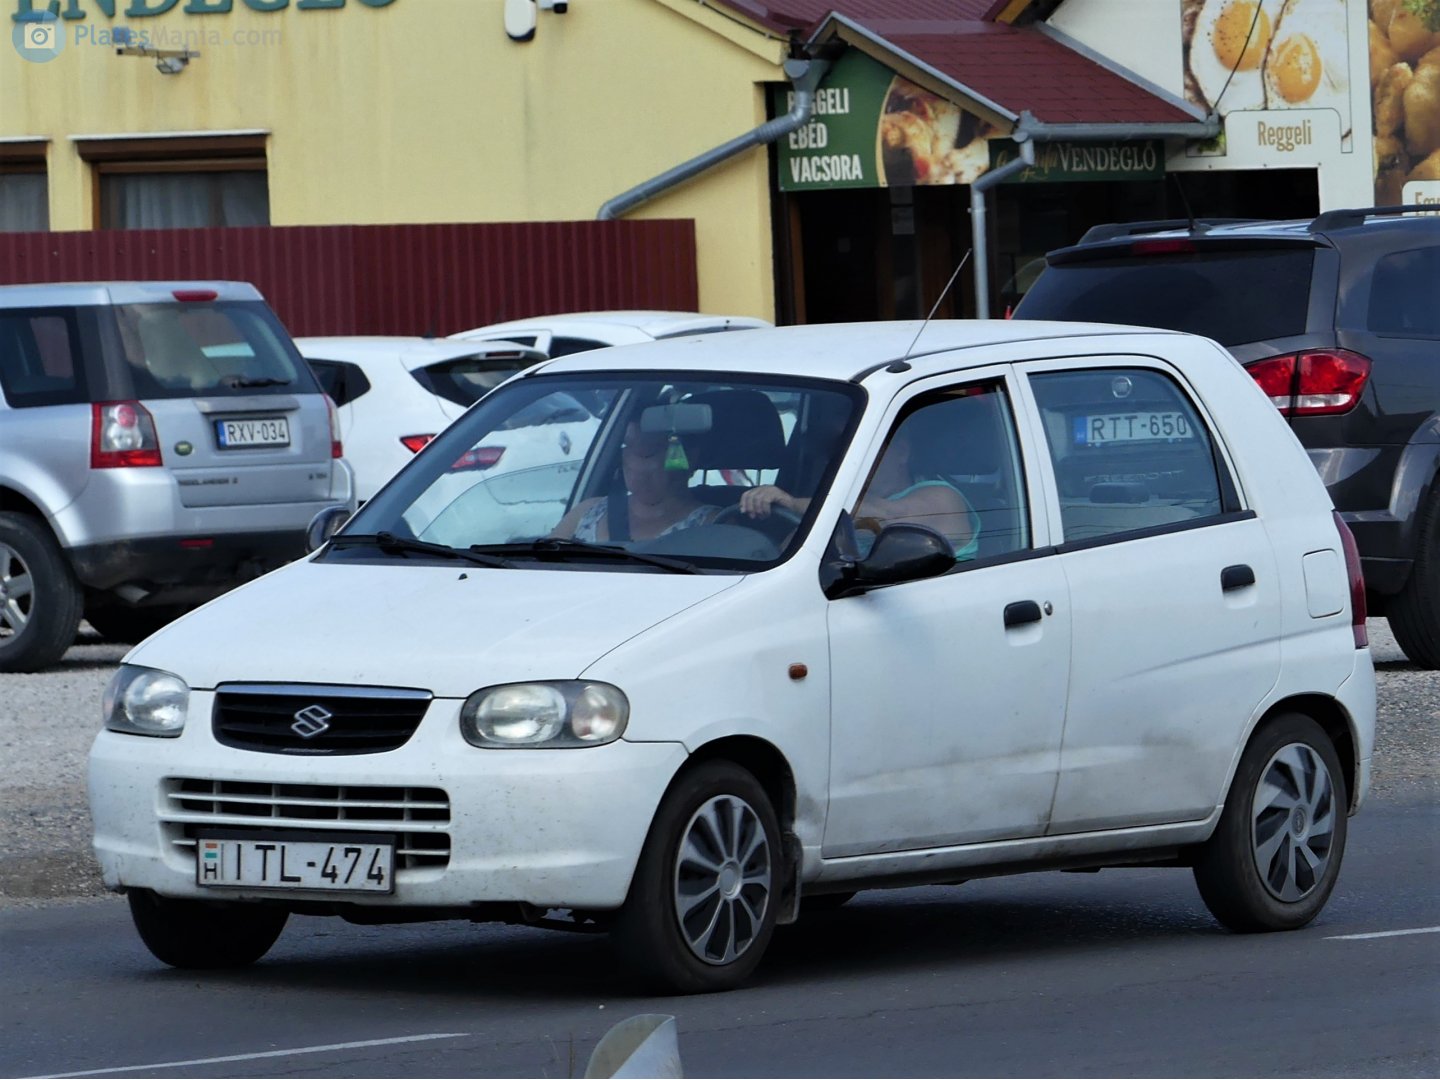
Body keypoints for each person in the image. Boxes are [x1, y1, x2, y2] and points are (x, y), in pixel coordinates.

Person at [738, 426, 980, 559]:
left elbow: (887, 517)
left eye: (862, 450)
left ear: (902, 452)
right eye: (842, 454)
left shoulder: (941, 496)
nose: (850, 462)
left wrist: (789, 502)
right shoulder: (844, 511)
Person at [552, 423, 720, 542]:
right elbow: (544, 560)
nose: (636, 465)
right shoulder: (588, 512)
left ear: (688, 458)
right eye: (626, 447)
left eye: (648, 453)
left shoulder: (713, 525)